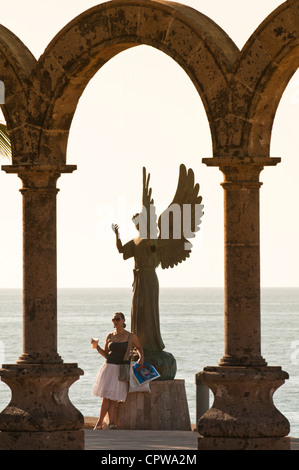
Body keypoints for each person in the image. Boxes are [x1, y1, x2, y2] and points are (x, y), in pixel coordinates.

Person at [112, 219, 165, 353]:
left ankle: (152, 343)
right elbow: (121, 250)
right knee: (137, 311)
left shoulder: (151, 237)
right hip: (138, 278)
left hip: (149, 277)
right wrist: (117, 235)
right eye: (136, 222)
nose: (137, 224)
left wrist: (150, 242)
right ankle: (137, 344)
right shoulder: (136, 240)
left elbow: (154, 250)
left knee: (148, 311)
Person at [91, 312, 144, 430]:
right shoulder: (110, 336)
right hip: (108, 367)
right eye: (113, 319)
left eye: (118, 319)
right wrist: (96, 347)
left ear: (124, 320)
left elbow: (139, 347)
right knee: (107, 396)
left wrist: (141, 358)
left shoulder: (130, 336)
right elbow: (106, 354)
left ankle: (104, 423)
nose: (115, 321)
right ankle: (107, 424)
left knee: (113, 397)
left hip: (120, 368)